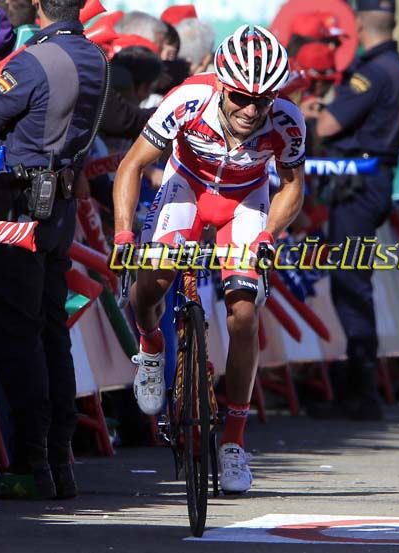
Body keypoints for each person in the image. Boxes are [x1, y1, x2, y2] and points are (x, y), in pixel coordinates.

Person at [112, 25, 305, 493]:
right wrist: (122, 232)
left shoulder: (287, 121)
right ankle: (152, 347)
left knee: (243, 315)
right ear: (221, 83)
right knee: (153, 283)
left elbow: (293, 186)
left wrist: (268, 235)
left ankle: (234, 444)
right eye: (240, 96)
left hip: (245, 200)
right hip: (185, 188)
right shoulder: (186, 100)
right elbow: (132, 165)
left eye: (263, 100)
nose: (251, 109)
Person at [0, 0, 107, 499]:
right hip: (58, 210)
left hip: (21, 209)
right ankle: (59, 459)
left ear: (39, 5)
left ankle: (29, 462)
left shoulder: (35, 59)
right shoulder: (95, 57)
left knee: (19, 337)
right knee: (50, 332)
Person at [303, 0, 399, 420]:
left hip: (358, 182)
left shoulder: (372, 71)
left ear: (361, 24)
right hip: (375, 179)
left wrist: (308, 116)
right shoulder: (397, 67)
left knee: (351, 285)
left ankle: (361, 394)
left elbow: (329, 126)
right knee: (355, 283)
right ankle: (360, 389)